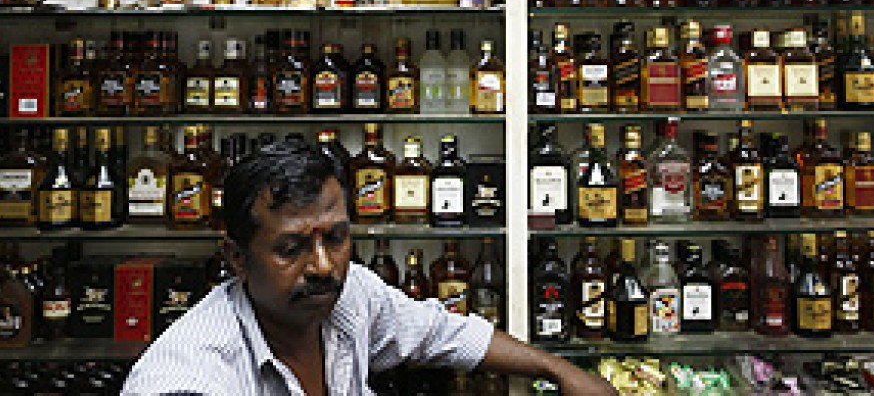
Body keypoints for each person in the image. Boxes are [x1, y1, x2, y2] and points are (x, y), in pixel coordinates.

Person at [123, 139, 616, 396]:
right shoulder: (188, 374)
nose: (322, 266)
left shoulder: (348, 293)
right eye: (291, 248)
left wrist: (558, 369)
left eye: (336, 238)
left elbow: (441, 331)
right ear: (236, 259)